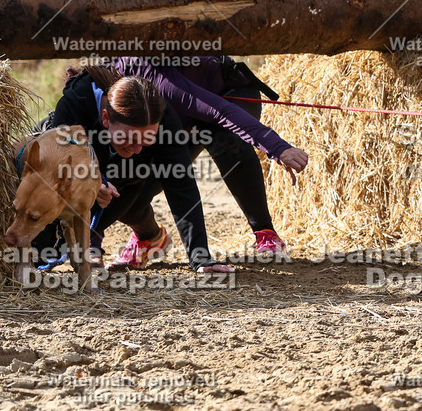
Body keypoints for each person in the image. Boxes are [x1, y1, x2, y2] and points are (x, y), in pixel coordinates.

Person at [94, 56, 308, 261]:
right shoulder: (98, 85)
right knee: (127, 192)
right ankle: (149, 238)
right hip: (181, 119)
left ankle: (265, 233)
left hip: (227, 96)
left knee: (223, 137)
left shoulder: (156, 80)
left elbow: (220, 112)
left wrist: (277, 148)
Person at [34, 66, 231, 273]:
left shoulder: (162, 118)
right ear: (106, 118)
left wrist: (201, 259)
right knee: (38, 252)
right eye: (130, 138)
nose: (136, 148)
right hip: (62, 171)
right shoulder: (76, 102)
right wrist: (91, 181)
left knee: (64, 243)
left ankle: (143, 238)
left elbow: (181, 184)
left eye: (146, 140)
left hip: (123, 180)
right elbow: (56, 164)